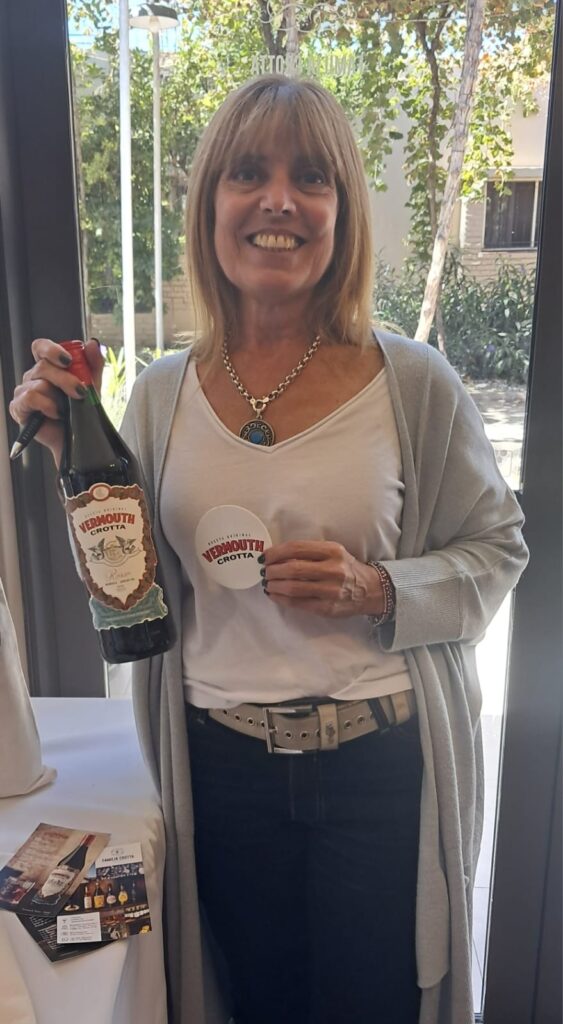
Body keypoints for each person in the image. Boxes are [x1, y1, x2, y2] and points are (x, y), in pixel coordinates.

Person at [10, 75, 528, 1024]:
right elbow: (139, 593)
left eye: (311, 178)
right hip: (218, 770)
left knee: (377, 1004)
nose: (278, 200)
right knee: (247, 1002)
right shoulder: (161, 394)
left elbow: (497, 550)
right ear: (211, 204)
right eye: (247, 173)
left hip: (383, 769)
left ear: (342, 212)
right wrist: (70, 464)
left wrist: (379, 588)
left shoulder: (413, 382)